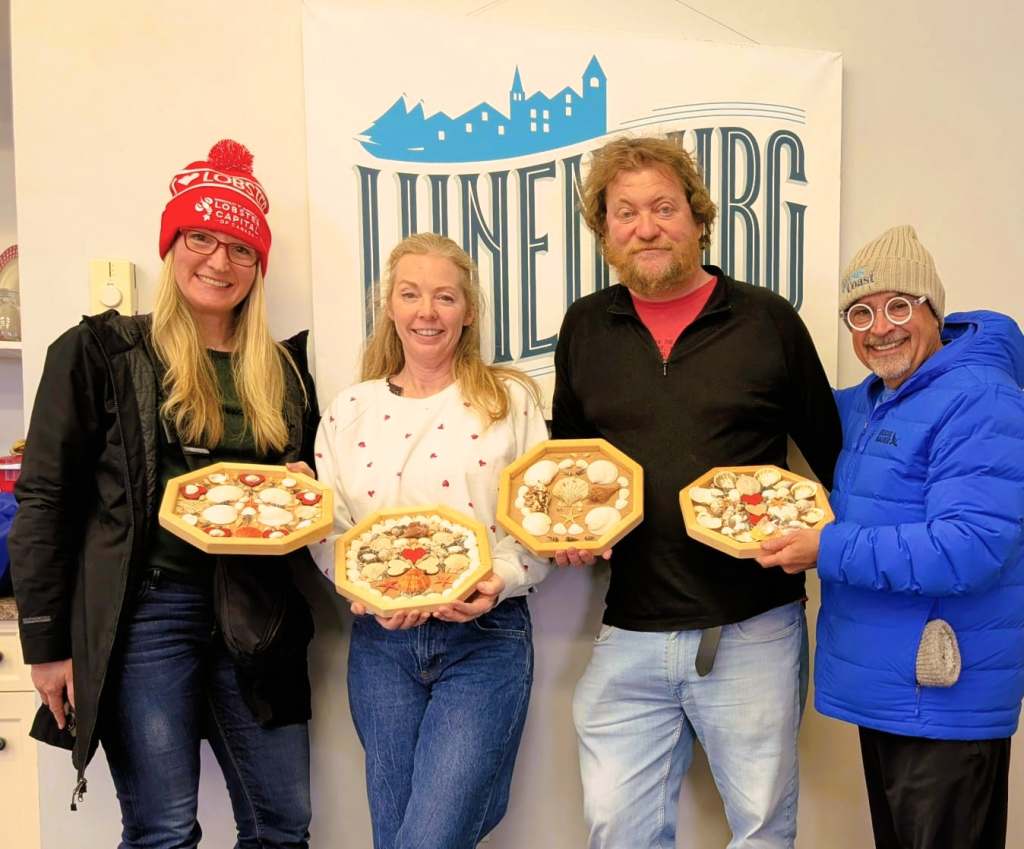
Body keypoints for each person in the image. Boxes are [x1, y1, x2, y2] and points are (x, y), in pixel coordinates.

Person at [9, 140, 319, 848]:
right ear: (171, 244)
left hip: (259, 610)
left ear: (259, 265)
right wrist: (49, 644)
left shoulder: (285, 369)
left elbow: (302, 490)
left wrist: (305, 488)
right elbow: (45, 500)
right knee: (163, 828)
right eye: (200, 237)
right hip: (145, 612)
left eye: (241, 247)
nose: (219, 260)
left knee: (283, 824)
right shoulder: (99, 353)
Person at [551, 136, 842, 849]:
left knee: (762, 829)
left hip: (752, 626)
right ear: (604, 230)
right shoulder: (586, 326)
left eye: (663, 208)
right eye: (625, 213)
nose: (646, 227)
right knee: (619, 827)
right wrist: (568, 537)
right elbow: (569, 469)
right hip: (628, 628)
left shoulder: (768, 320)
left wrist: (830, 545)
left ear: (698, 217)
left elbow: (838, 459)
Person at [758, 225, 1024, 849]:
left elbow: (970, 546)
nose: (880, 327)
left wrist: (824, 546)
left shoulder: (980, 399)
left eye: (899, 306)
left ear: (934, 309)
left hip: (944, 695)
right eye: (861, 312)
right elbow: (796, 401)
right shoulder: (879, 400)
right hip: (899, 687)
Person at [312, 232, 551, 849]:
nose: (427, 312)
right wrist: (355, 585)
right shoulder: (350, 409)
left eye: (445, 297)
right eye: (411, 294)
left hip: (485, 638)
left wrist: (500, 579)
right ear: (388, 306)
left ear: (468, 311)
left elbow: (541, 516)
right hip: (380, 647)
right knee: (396, 836)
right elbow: (331, 527)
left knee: (428, 838)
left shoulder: (510, 399)